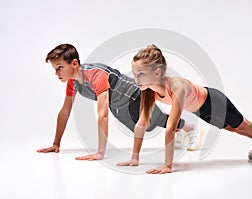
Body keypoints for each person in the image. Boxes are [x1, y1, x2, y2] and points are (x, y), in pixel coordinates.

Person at [117, 44, 252, 174]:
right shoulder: (148, 92)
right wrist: (135, 158)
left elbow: (171, 127)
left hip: (213, 101)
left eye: (141, 74)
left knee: (241, 124)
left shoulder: (176, 85)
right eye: (134, 74)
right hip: (200, 110)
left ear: (157, 72)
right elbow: (141, 124)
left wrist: (168, 166)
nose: (136, 79)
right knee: (231, 128)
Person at [37, 44, 202, 160]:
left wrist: (100, 153)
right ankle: (183, 128)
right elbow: (65, 111)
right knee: (153, 123)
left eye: (59, 67)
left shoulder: (96, 75)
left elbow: (102, 115)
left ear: (74, 63)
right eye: (54, 68)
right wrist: (56, 144)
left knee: (154, 122)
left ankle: (190, 129)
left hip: (134, 95)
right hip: (118, 105)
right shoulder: (73, 82)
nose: (57, 73)